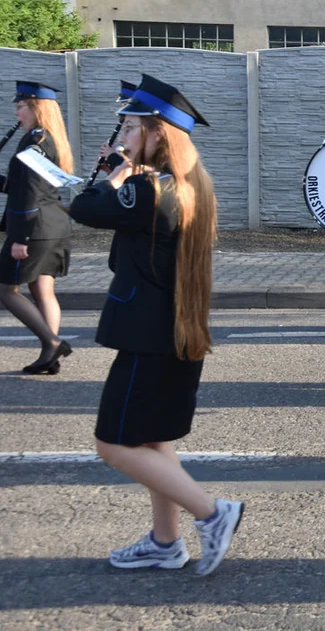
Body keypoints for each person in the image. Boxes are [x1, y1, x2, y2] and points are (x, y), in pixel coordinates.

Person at [68, 74, 245, 576]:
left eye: (129, 129)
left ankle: (213, 513)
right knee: (151, 439)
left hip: (147, 334)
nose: (122, 138)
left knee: (112, 442)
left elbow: (84, 208)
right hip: (172, 331)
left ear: (155, 136)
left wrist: (114, 173)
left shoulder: (146, 189)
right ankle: (166, 542)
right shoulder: (188, 186)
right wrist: (123, 169)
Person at [1, 82, 75, 375]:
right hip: (51, 225)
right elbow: (24, 187)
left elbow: (30, 194)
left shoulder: (35, 142)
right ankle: (49, 355)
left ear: (36, 108)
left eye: (20, 106)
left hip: (35, 229)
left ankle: (51, 342)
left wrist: (20, 238)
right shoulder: (47, 139)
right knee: (43, 290)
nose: (16, 111)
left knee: (6, 290)